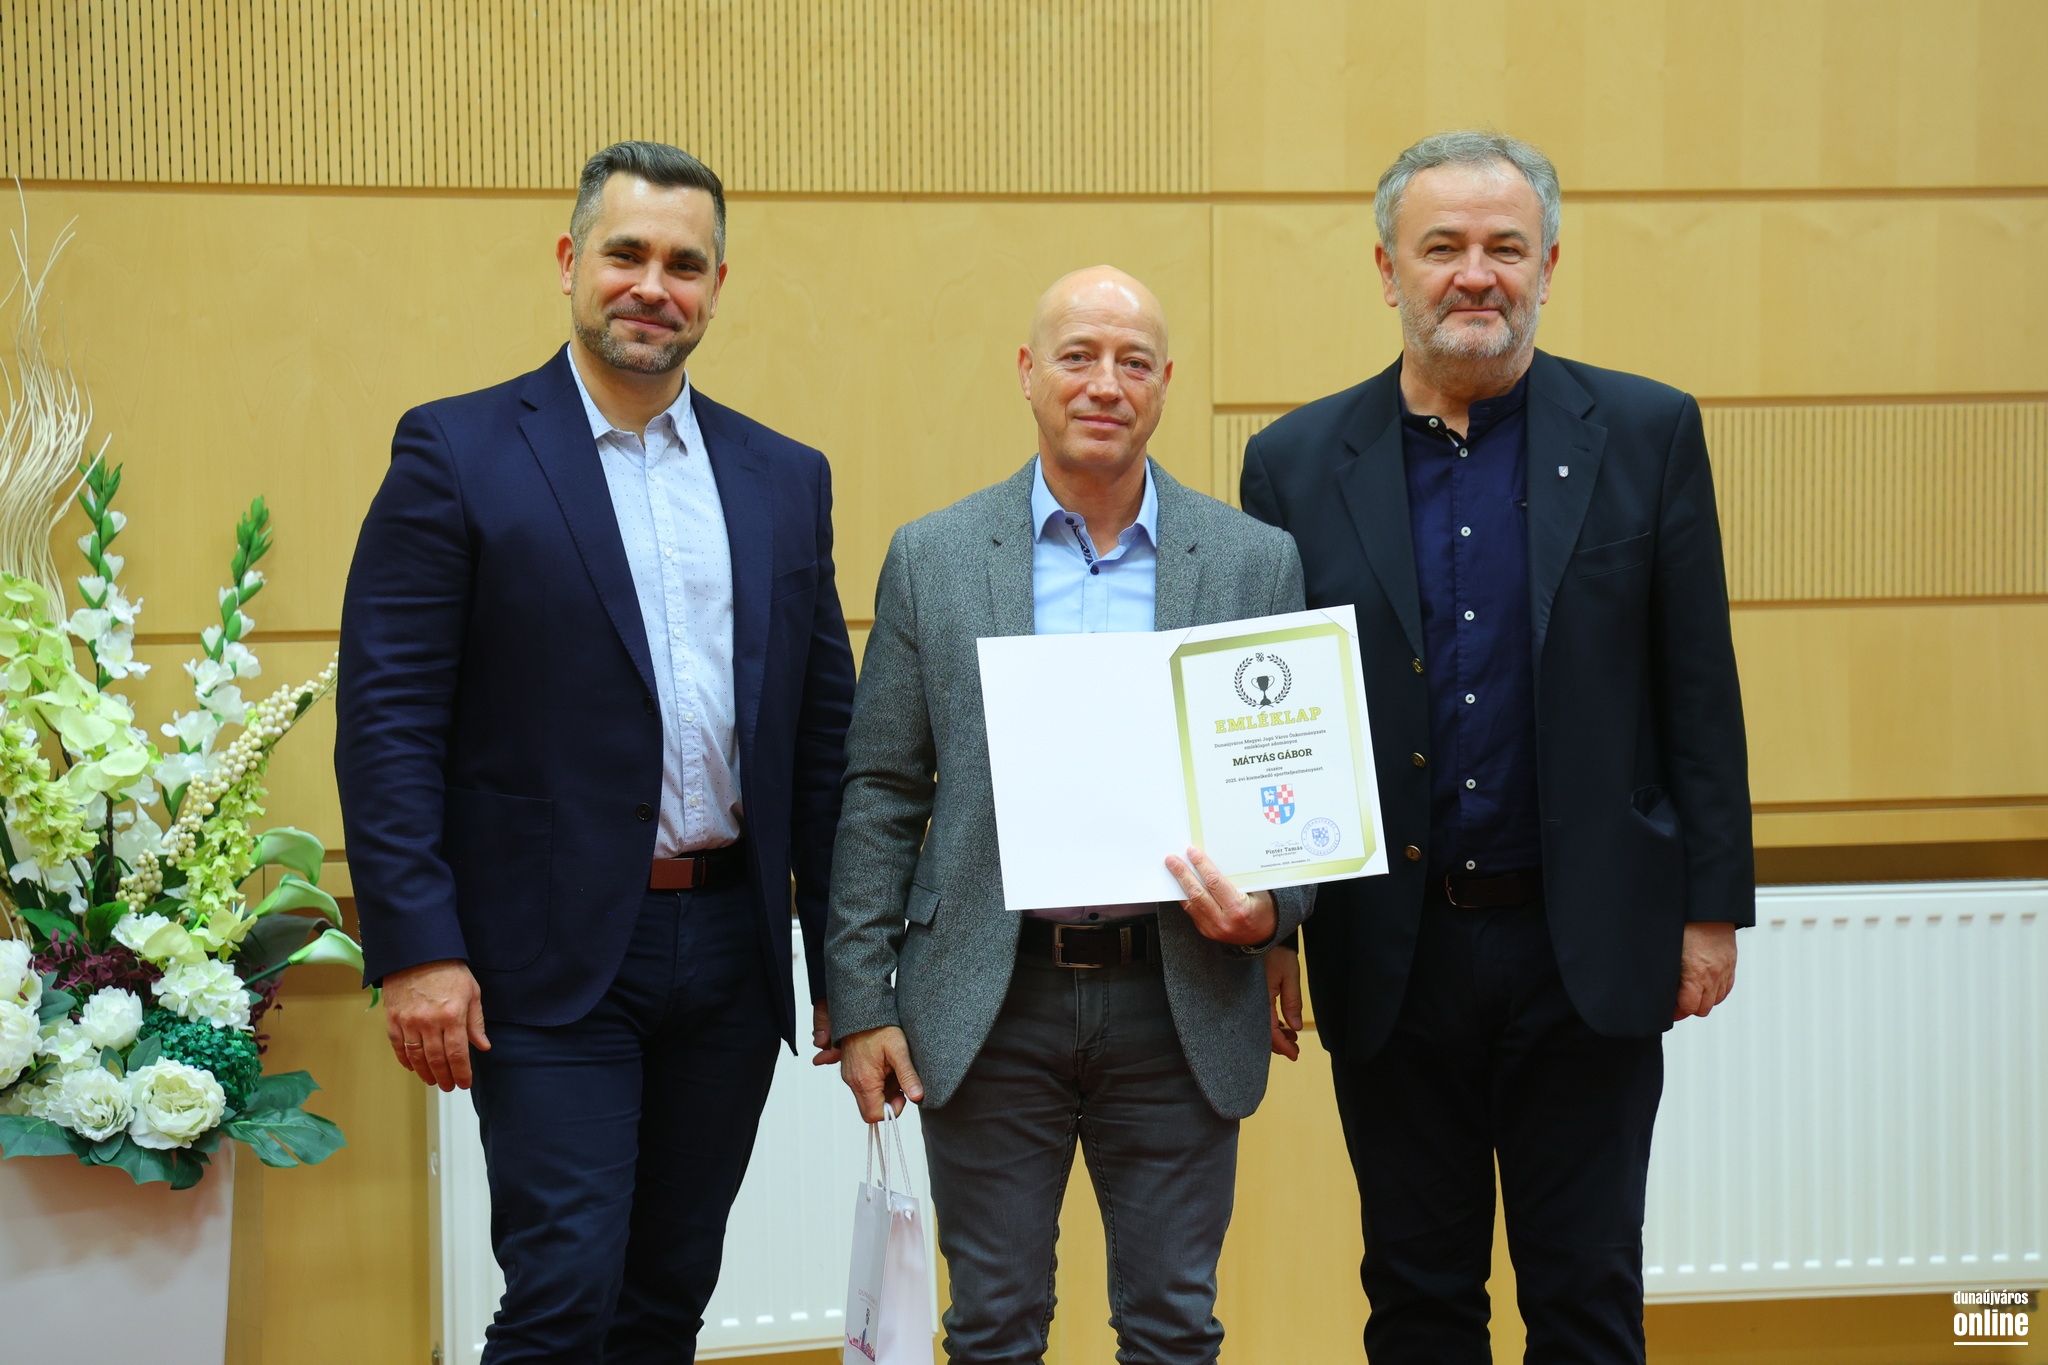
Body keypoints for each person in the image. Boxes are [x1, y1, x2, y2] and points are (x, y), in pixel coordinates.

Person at [336, 141, 856, 1364]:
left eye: (684, 264)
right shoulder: (456, 454)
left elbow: (821, 742)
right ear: (570, 260)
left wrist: (846, 961)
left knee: (666, 1296)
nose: (652, 287)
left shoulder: (784, 478)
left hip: (729, 955)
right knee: (564, 1288)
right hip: (547, 956)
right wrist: (417, 947)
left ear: (716, 286)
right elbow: (388, 717)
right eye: (626, 254)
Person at [1241, 131, 1752, 1364]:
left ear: (1547, 266)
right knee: (1417, 1299)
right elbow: (1268, 726)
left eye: (1504, 247)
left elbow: (1696, 687)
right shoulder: (1293, 464)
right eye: (1442, 247)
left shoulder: (1645, 432)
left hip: (1587, 948)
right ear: (1386, 270)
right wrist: (1273, 931)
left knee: (1584, 1295)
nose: (1475, 274)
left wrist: (1707, 911)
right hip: (1391, 950)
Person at [826, 266, 1311, 1365]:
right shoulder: (935, 557)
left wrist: (1277, 912)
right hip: (988, 1000)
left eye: (1133, 362)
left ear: (1165, 382)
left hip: (1177, 995)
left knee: (1173, 1326)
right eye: (1078, 356)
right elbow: (883, 789)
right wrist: (860, 1000)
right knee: (992, 1327)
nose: (1105, 384)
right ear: (1027, 372)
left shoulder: (1252, 561)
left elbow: (1290, 778)